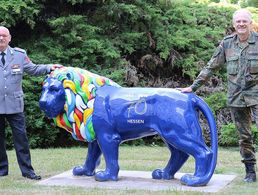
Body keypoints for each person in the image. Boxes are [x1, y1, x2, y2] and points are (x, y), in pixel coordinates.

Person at [180, 9, 257, 183]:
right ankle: (250, 172)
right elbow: (211, 66)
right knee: (244, 137)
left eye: (245, 21)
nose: (241, 24)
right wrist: (193, 87)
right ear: (234, 24)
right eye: (238, 22)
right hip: (236, 98)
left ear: (250, 23)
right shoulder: (227, 43)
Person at [0, 26, 62, 180]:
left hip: (15, 105)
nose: (1, 38)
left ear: (9, 38)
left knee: (21, 139)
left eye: (4, 36)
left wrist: (49, 67)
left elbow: (33, 69)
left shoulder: (19, 55)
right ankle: (2, 170)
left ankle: (27, 171)